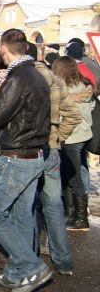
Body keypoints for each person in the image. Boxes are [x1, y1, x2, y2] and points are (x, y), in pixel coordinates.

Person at [0, 28, 52, 291]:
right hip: (34, 153)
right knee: (21, 217)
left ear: (4, 50)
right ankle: (18, 273)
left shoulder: (18, 78)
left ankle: (31, 267)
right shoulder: (36, 75)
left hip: (16, 156)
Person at [30, 42, 79, 275]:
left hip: (29, 150)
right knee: (53, 206)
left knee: (27, 206)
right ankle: (63, 260)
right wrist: (58, 137)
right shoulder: (56, 80)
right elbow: (73, 115)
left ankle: (30, 261)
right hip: (52, 149)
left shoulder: (22, 80)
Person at [52, 56, 95, 231]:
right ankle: (71, 214)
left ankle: (80, 218)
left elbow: (64, 115)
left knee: (73, 177)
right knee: (71, 174)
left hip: (71, 137)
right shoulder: (84, 86)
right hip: (84, 134)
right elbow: (91, 109)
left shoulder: (64, 90)